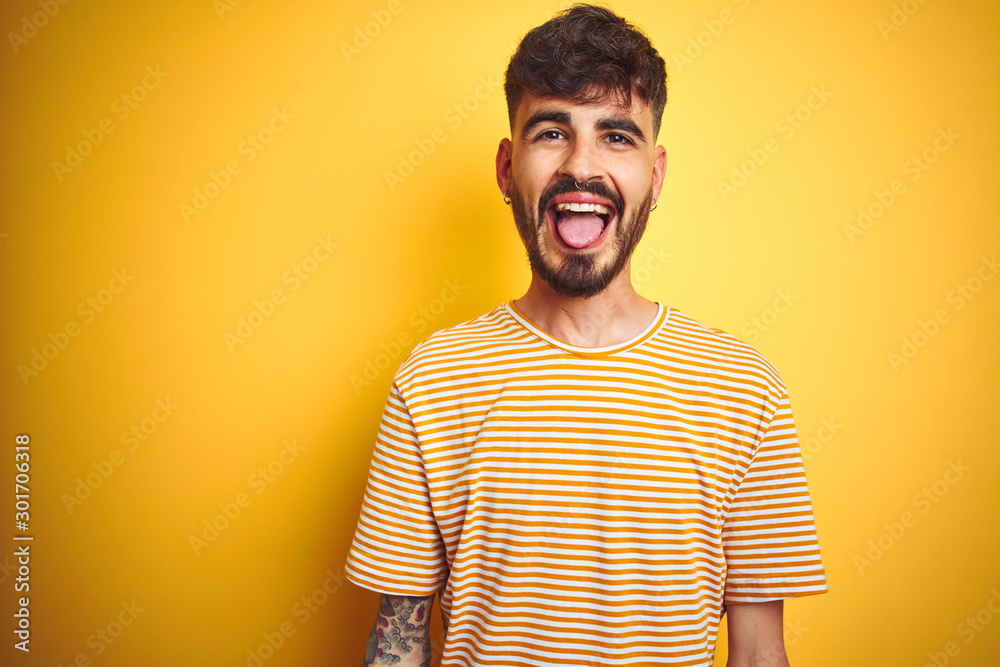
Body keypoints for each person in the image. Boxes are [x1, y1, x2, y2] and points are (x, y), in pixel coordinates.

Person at [346, 4, 827, 666]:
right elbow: (396, 642)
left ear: (654, 178)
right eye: (552, 132)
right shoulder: (433, 378)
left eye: (617, 136)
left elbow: (757, 650)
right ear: (507, 169)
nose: (582, 165)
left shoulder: (745, 389)